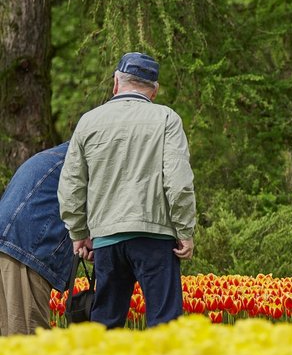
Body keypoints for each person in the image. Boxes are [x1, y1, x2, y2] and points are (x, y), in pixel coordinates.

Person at [58, 52, 197, 328]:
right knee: (165, 325)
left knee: (105, 325)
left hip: (107, 239)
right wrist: (185, 231)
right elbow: (179, 182)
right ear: (154, 90)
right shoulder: (166, 119)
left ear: (116, 83)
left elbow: (71, 184)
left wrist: (78, 233)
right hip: (154, 236)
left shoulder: (89, 121)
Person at [0, 143, 74, 335]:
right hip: (26, 249)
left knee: (7, 340)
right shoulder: (79, 162)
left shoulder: (52, 157)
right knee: (26, 338)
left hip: (11, 242)